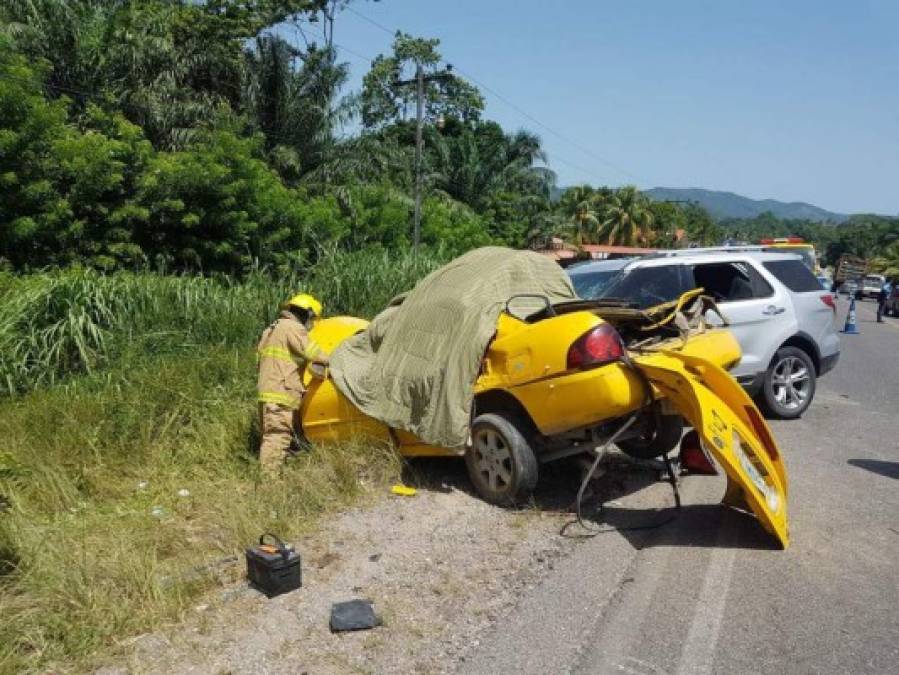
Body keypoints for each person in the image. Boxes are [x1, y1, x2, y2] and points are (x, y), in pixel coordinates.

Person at [256, 293, 329, 474]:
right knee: (277, 437)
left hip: (267, 392)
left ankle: (278, 475)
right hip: (281, 393)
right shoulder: (293, 329)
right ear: (307, 314)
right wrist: (334, 360)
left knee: (273, 436)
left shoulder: (270, 330)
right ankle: (268, 483)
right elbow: (314, 353)